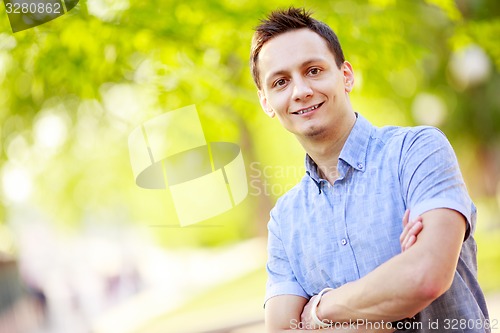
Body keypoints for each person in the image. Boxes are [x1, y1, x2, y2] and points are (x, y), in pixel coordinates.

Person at [250, 7, 490, 333]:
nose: (300, 90)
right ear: (266, 102)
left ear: (346, 76)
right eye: (280, 82)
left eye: (314, 70)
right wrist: (378, 318)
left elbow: (425, 277)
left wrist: (320, 308)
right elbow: (281, 329)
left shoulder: (416, 151)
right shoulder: (285, 219)